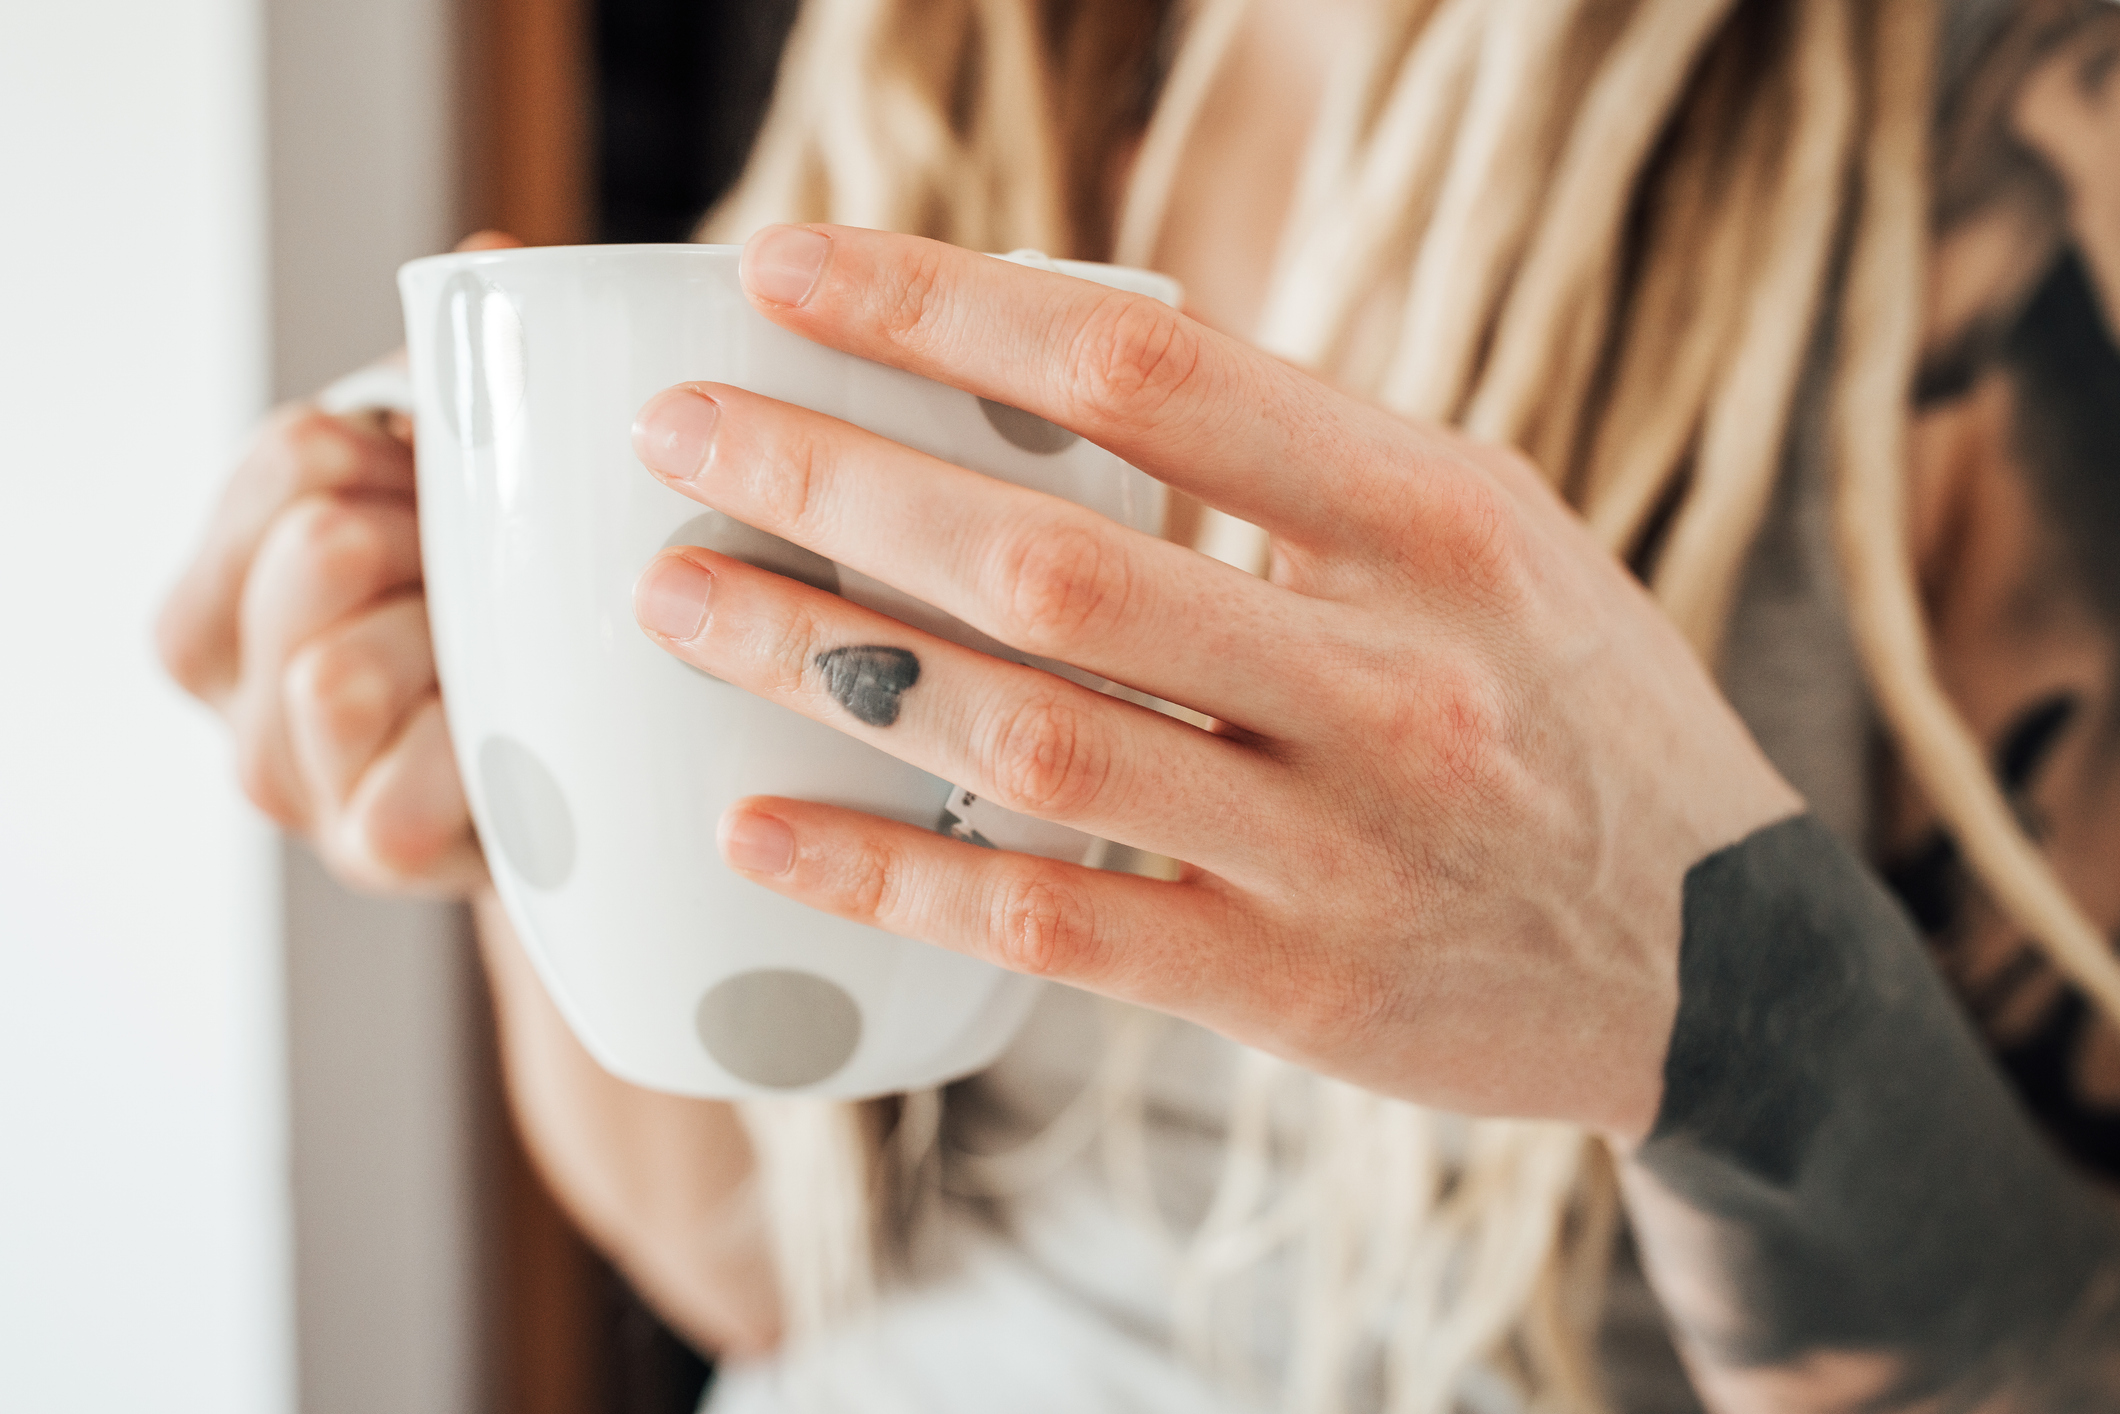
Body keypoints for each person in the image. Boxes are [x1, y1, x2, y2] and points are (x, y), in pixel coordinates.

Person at [155, 0, 2120, 1409]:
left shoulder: (1999, 144)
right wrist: (525, 694)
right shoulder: (943, 61)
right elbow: (748, 1269)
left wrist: (1745, 1004)